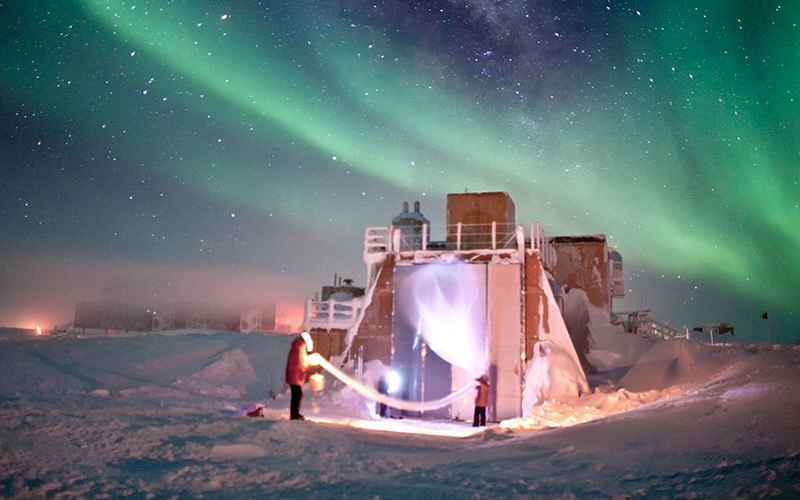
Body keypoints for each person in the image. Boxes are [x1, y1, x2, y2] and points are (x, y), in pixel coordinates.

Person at [285, 331, 313, 420]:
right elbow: (297, 364)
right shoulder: (297, 350)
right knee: (296, 395)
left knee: (297, 395)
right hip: (294, 376)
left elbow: (300, 362)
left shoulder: (299, 349)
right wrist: (307, 365)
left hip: (295, 376)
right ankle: (294, 414)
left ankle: (295, 413)